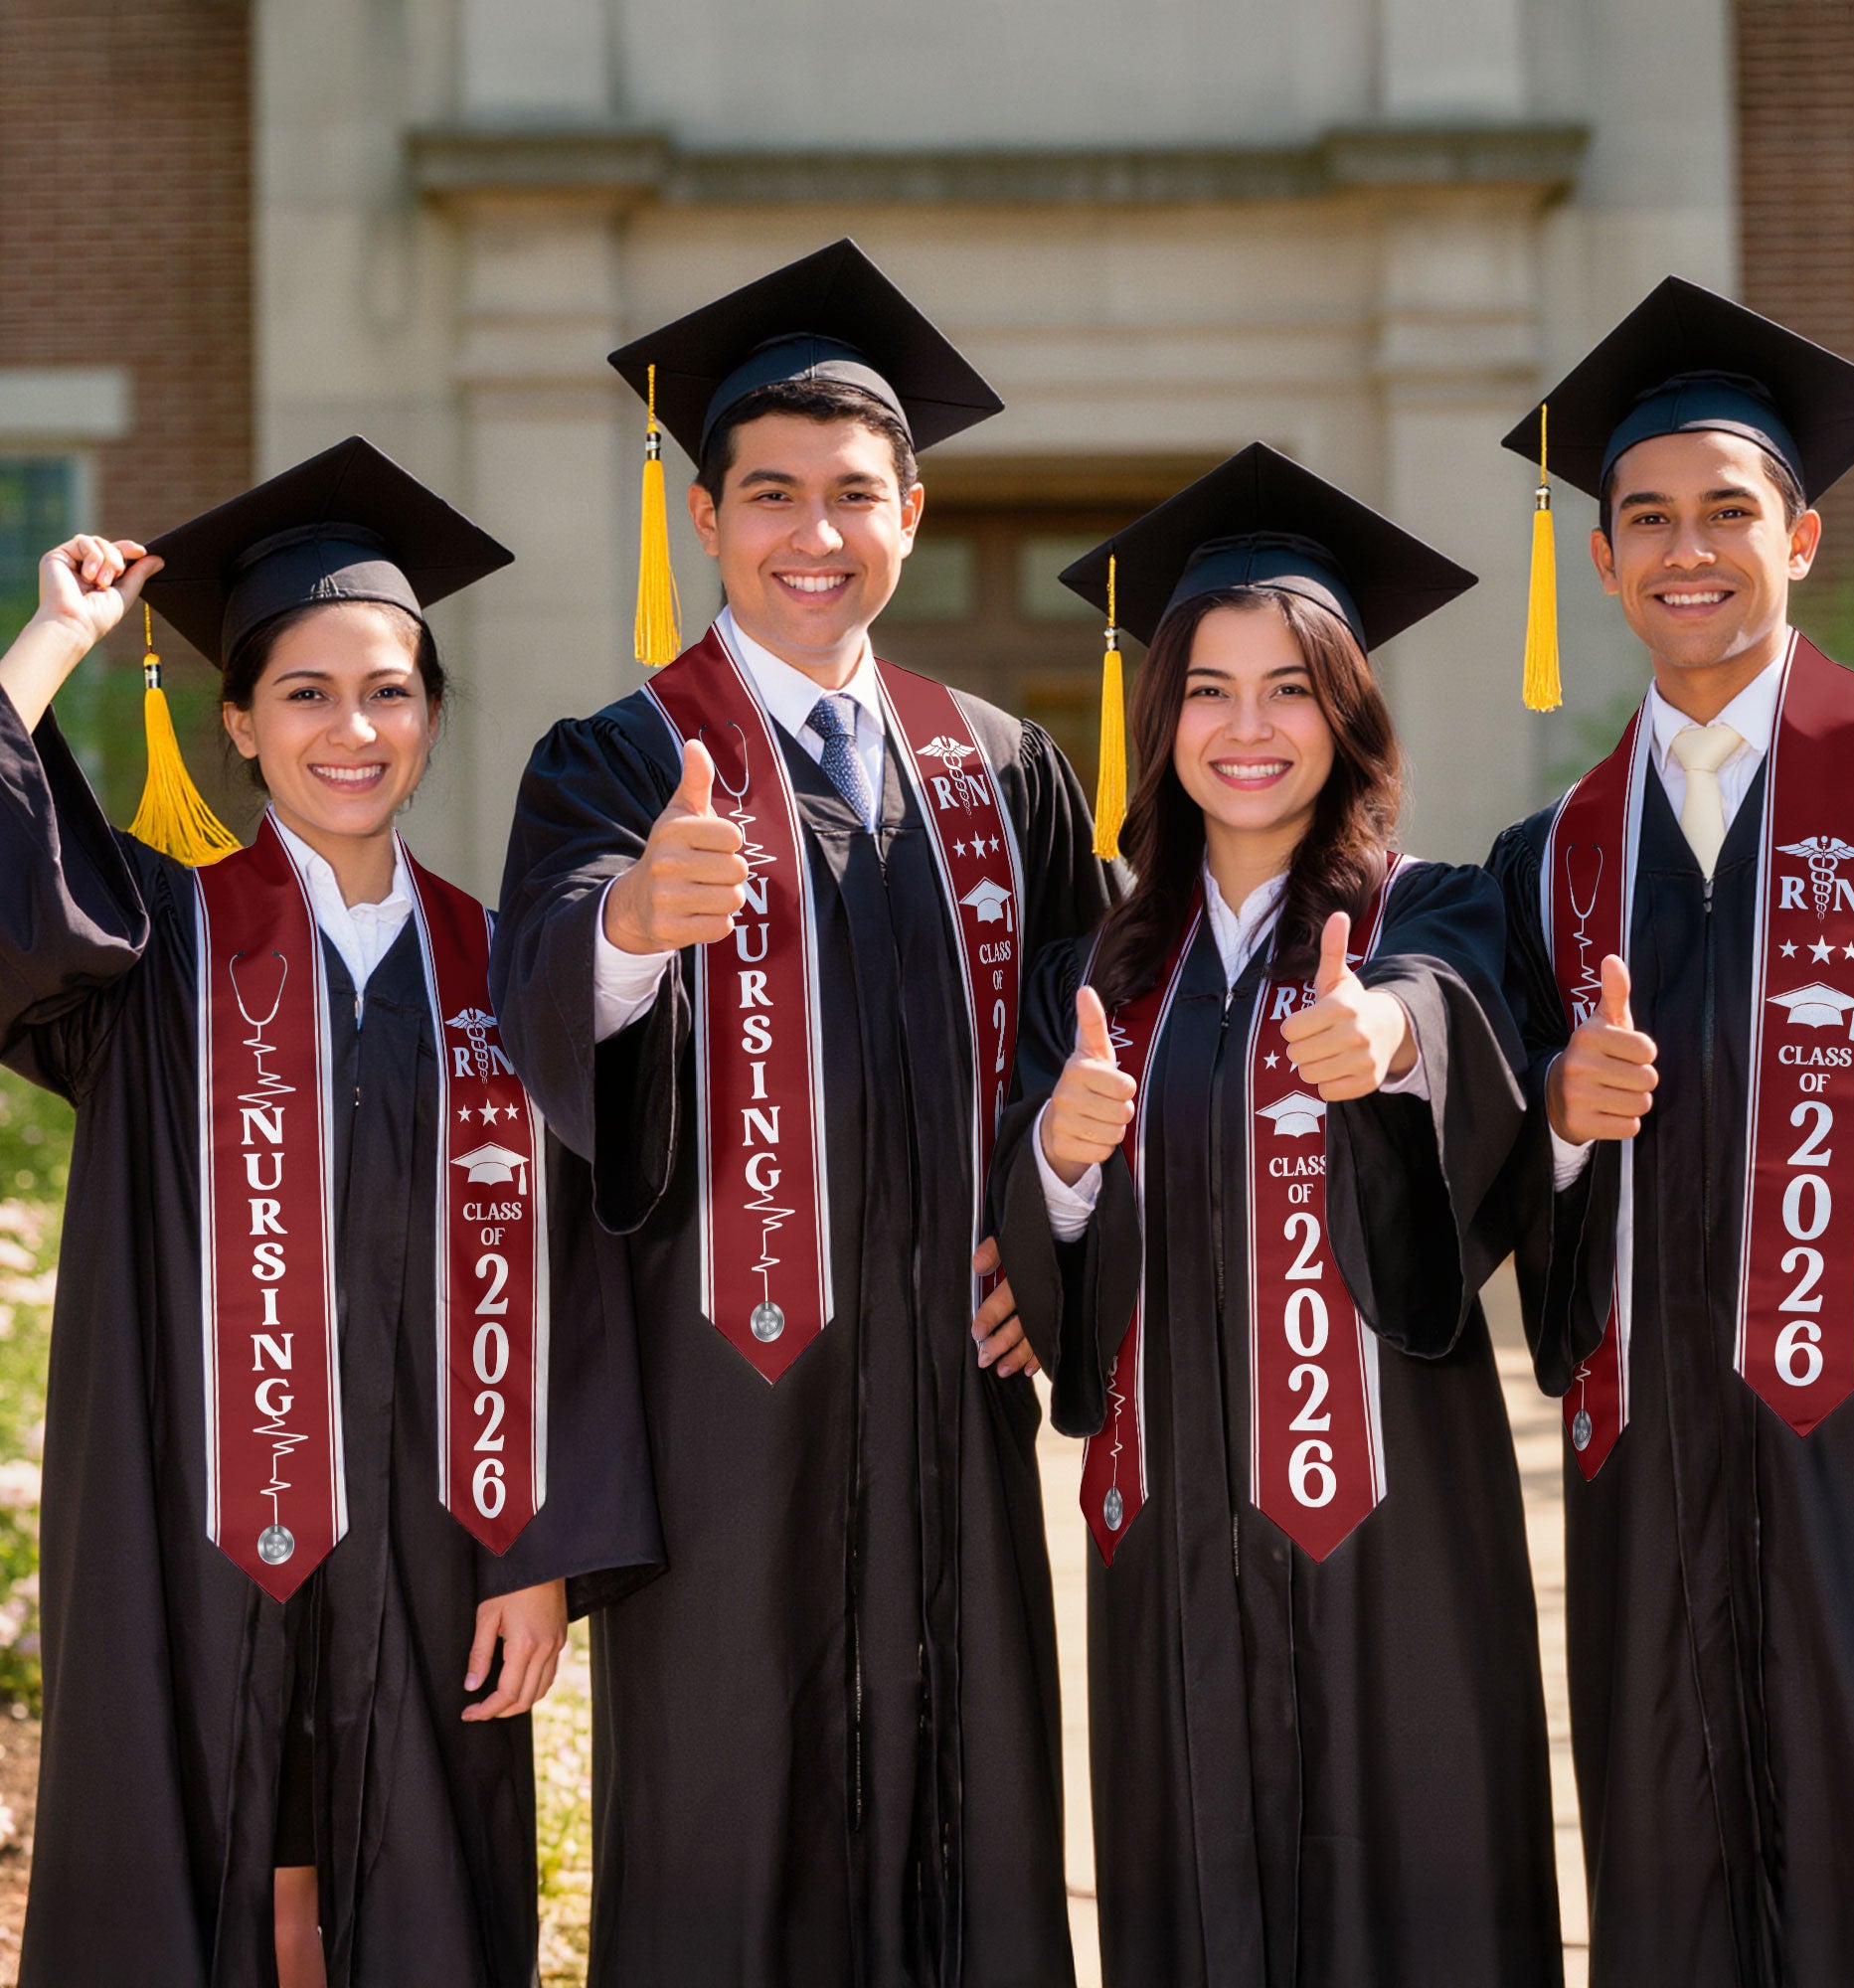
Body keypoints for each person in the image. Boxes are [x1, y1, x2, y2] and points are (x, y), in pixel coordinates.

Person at [492, 240, 1114, 1986]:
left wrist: (1052, 1237)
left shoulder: (999, 766)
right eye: (770, 495)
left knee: (968, 1812)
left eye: (853, 495)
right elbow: (540, 996)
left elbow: (1099, 1034)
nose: (813, 533)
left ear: (912, 513)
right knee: (731, 1826)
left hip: (952, 1406)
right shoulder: (618, 758)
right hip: (725, 1415)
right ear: (706, 518)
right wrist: (631, 925)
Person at [0, 437, 661, 1988]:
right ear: (238, 722)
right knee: (196, 1857)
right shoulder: (154, 947)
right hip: (186, 1525)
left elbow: (578, 1276)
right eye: (304, 693)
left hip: (438, 1538)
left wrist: (541, 1550)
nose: (351, 729)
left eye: (389, 692)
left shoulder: (506, 968)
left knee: (415, 1884)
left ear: (431, 715)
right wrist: (54, 640)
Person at [989, 444, 1562, 1986]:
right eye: (1209, 691)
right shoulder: (1096, 973)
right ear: (1158, 718)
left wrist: (1391, 1039)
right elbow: (1042, 1246)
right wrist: (1059, 1159)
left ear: (1348, 713)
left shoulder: (1431, 910)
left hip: (1392, 1528)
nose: (1248, 729)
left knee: (1413, 1890)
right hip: (1169, 1529)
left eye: (1291, 689)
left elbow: (1456, 1021)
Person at [1488, 277, 1854, 1987]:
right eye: (1646, 519)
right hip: (1653, 1480)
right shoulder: (1555, 857)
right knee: (1675, 1887)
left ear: (1803, 538)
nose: (1685, 549)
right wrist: (1557, 1121)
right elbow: (1490, 1167)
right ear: (1603, 558)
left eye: (1726, 512)